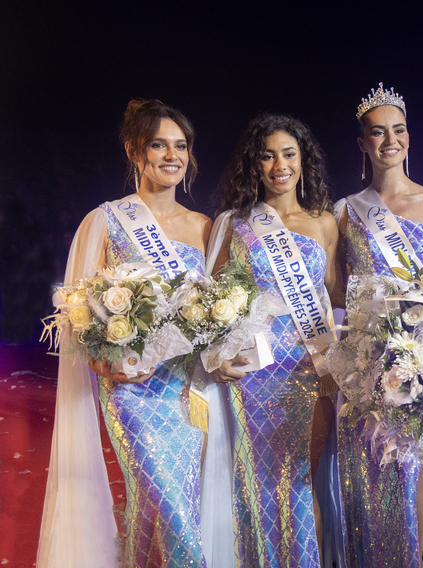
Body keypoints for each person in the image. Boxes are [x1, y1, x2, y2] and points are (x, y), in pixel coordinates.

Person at [37, 99, 212, 567]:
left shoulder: (203, 228)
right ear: (137, 152)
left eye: (180, 146)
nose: (171, 155)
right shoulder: (107, 219)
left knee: (172, 508)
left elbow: (215, 314)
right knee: (163, 500)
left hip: (188, 390)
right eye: (158, 144)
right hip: (131, 390)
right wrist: (101, 360)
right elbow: (78, 311)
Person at [207, 113, 344, 567]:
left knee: (305, 480)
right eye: (267, 156)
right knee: (258, 481)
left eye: (289, 154)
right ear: (255, 164)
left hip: (311, 365)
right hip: (255, 369)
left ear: (303, 161)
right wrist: (217, 355)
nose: (278, 165)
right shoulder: (234, 222)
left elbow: (337, 297)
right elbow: (211, 299)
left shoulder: (325, 222)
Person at [336, 83, 423, 567]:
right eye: (377, 132)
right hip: (364, 365)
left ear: (409, 137)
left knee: (415, 473)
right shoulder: (344, 211)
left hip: (418, 362)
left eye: (399, 130)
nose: (390, 140)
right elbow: (333, 292)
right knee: (368, 476)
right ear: (363, 143)